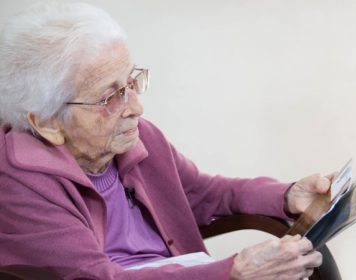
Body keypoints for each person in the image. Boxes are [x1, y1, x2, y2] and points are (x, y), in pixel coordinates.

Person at [0, 2, 331, 280]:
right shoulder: (20, 181)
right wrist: (231, 272)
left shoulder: (137, 138)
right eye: (109, 97)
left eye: (130, 82)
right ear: (47, 124)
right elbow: (95, 277)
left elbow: (201, 193)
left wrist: (286, 195)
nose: (136, 108)